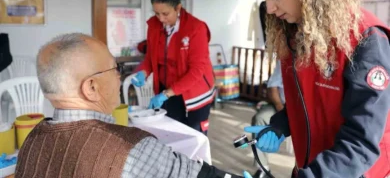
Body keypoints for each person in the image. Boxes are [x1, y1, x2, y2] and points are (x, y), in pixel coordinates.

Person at [14, 33, 245, 178]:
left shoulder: (32, 140)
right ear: (91, 87)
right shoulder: (129, 148)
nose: (119, 78)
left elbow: (196, 69)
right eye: (116, 69)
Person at [244, 0, 390, 177]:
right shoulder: (296, 37)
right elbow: (307, 103)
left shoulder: (365, 38)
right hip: (309, 166)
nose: (269, 8)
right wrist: (279, 126)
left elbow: (362, 141)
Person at [131, 0, 215, 135]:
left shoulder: (196, 28)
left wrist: (166, 94)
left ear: (178, 8)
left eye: (165, 13)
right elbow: (150, 58)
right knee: (172, 135)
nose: (161, 19)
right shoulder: (154, 26)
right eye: (156, 13)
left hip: (194, 92)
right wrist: (142, 72)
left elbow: (196, 71)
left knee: (194, 137)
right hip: (168, 91)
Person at [251, 60, 285, 178]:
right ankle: (263, 168)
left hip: (302, 110)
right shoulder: (284, 60)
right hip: (280, 105)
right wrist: (279, 106)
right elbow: (272, 85)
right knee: (259, 119)